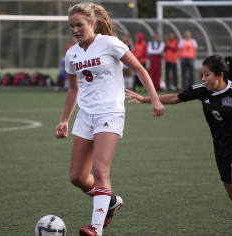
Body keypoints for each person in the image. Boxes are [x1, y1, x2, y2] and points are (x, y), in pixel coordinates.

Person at [126, 55, 232, 236]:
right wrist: (145, 99)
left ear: (219, 75)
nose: (203, 79)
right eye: (202, 74)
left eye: (207, 75)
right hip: (220, 149)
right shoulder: (201, 90)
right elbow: (175, 97)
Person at [55, 3, 165, 236]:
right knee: (77, 177)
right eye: (71, 26)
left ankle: (96, 229)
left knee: (100, 170)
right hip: (85, 115)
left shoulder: (109, 43)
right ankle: (111, 201)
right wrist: (64, 119)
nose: (75, 30)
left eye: (80, 25)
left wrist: (154, 99)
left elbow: (139, 69)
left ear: (92, 23)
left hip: (110, 112)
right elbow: (73, 90)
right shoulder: (72, 53)